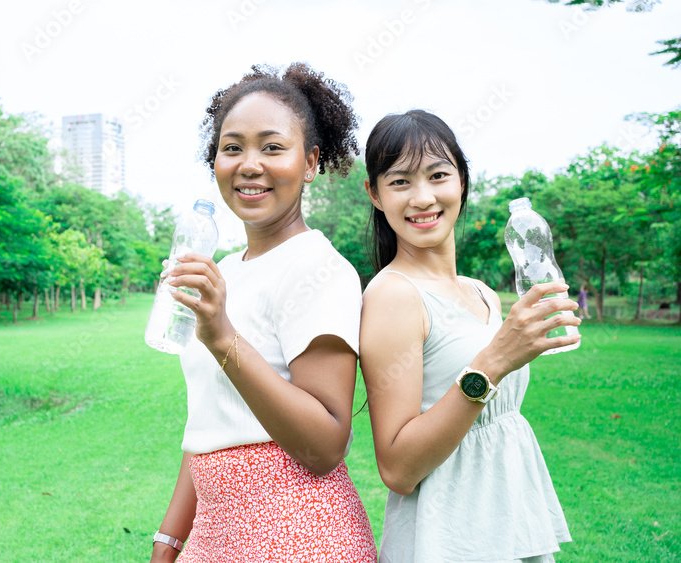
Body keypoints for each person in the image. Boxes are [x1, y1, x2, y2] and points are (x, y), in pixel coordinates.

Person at [151, 63, 376, 563]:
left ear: (311, 161)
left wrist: (221, 335)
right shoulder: (225, 269)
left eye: (272, 147)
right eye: (232, 148)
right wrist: (169, 540)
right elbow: (211, 421)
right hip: (216, 531)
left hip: (296, 531)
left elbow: (324, 444)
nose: (249, 164)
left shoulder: (319, 269)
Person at [358, 110, 579, 562]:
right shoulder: (392, 296)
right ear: (375, 195)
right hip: (447, 542)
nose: (423, 197)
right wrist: (493, 362)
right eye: (400, 182)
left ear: (462, 181)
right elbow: (398, 468)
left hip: (509, 524)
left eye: (438, 175)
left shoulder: (482, 293)